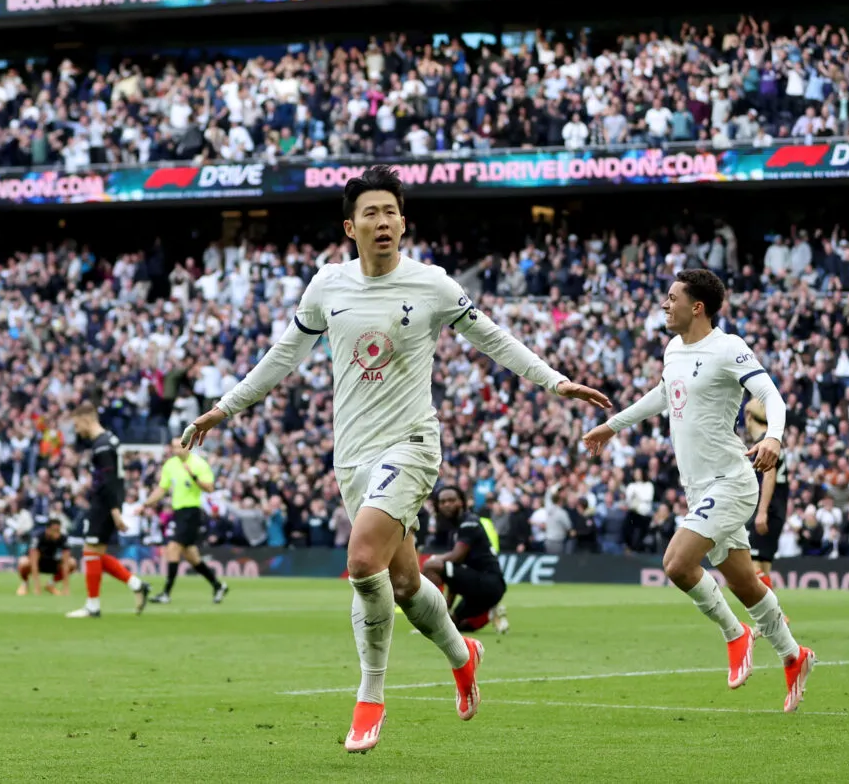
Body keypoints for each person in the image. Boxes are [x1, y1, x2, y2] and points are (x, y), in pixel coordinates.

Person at [183, 165, 610, 753]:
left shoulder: (432, 283)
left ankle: (371, 696)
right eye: (370, 214)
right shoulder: (326, 286)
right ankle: (465, 655)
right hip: (351, 458)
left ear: (403, 222)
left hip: (411, 445)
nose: (382, 222)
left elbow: (494, 338)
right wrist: (221, 410)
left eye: (391, 212)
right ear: (350, 226)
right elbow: (282, 357)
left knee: (362, 563)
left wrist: (556, 382)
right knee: (406, 584)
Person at [582, 269, 816, 714]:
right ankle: (794, 656)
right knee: (747, 584)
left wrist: (774, 437)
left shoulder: (728, 348)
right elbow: (663, 394)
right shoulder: (673, 349)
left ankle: (736, 634)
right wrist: (613, 427)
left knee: (677, 563)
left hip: (732, 480)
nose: (664, 305)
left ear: (697, 307)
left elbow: (773, 395)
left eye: (671, 298)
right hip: (699, 487)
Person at [65, 401, 152, 618]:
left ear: (86, 420)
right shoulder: (109, 440)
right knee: (94, 553)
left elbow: (109, 481)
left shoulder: (102, 445)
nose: (77, 430)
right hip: (106, 503)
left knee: (91, 552)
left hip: (104, 505)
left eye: (77, 425)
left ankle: (93, 606)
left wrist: (114, 511)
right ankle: (136, 584)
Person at [142, 438, 228, 604]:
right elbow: (162, 488)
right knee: (192, 557)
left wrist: (193, 476)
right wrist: (146, 504)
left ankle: (166, 593)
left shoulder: (198, 464)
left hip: (192, 512)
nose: (175, 450)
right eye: (173, 447)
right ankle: (218, 585)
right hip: (179, 513)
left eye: (178, 446)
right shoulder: (170, 465)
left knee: (173, 548)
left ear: (188, 447)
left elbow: (210, 488)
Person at [422, 486, 508, 634]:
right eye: (442, 502)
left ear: (461, 502)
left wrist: (435, 558)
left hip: (489, 582)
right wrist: (447, 610)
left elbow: (457, 556)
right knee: (455, 626)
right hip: (474, 584)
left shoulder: (469, 522)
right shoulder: (452, 529)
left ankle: (433, 618)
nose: (447, 504)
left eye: (451, 500)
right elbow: (454, 577)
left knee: (431, 566)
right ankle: (491, 612)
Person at [744, 396, 789, 592]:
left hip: (767, 509)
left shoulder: (764, 443)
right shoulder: (774, 442)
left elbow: (769, 475)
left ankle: (772, 615)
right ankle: (772, 619)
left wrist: (761, 512)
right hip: (777, 509)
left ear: (748, 416)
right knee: (763, 566)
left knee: (751, 566)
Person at [17, 518, 74, 596]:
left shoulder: (63, 539)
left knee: (72, 563)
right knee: (23, 562)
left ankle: (50, 584)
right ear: (48, 530)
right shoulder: (38, 538)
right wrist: (37, 588)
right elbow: (34, 563)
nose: (57, 533)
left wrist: (66, 588)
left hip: (53, 563)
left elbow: (66, 562)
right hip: (38, 563)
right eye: (55, 530)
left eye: (59, 530)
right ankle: (25, 584)